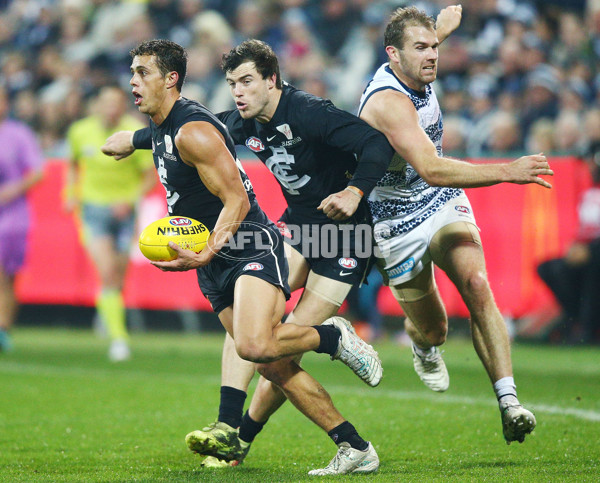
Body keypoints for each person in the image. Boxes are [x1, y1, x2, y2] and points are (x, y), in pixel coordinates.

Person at [106, 39, 382, 475]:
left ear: (170, 79)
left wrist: (354, 189)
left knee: (255, 343)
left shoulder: (295, 113)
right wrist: (133, 140)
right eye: (232, 82)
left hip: (271, 242)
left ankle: (330, 339)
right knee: (270, 361)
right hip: (248, 246)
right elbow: (203, 131)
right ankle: (350, 444)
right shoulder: (174, 126)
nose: (132, 81)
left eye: (142, 72)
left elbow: (234, 198)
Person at [357, 6, 553, 444]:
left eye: (434, 48)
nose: (431, 56)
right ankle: (422, 343)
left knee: (477, 282)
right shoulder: (388, 102)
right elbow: (432, 168)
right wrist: (507, 170)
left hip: (440, 203)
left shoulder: (418, 58)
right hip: (394, 220)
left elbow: (434, 34)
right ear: (393, 54)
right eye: (420, 49)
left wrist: (446, 22)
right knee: (435, 328)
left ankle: (509, 402)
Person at [65, 86, 156, 362]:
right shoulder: (80, 131)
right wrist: (71, 194)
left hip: (124, 213)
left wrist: (129, 200)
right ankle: (120, 339)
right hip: (93, 210)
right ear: (97, 105)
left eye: (116, 103)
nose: (110, 108)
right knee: (107, 273)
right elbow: (72, 165)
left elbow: (149, 176)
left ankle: (108, 312)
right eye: (105, 102)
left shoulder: (134, 133)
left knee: (118, 275)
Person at [537, 151, 600, 344]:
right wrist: (576, 247)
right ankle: (576, 319)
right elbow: (585, 229)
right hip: (587, 249)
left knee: (594, 267)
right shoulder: (590, 193)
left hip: (595, 252)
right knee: (549, 268)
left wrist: (590, 249)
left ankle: (588, 328)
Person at [0, 85, 44, 352]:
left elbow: (38, 171)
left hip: (12, 217)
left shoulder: (18, 133)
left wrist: (10, 191)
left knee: (7, 275)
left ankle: (3, 328)